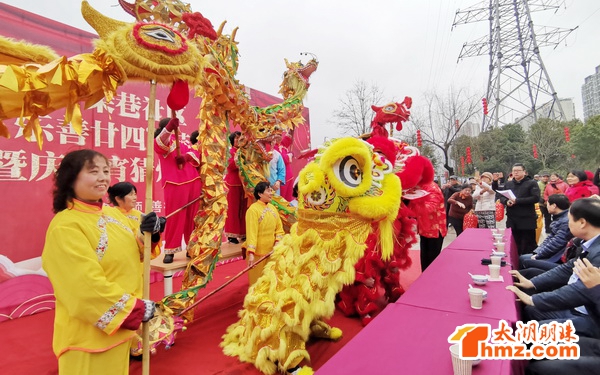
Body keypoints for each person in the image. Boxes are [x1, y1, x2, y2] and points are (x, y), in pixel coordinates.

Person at [41, 149, 162, 374]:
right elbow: (82, 286)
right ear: (70, 178)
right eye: (93, 171)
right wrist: (133, 309)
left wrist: (150, 235)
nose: (103, 177)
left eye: (106, 171)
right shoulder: (65, 226)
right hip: (87, 340)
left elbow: (137, 254)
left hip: (119, 333)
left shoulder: (114, 215)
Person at [507, 198, 600, 339]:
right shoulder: (588, 243)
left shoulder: (598, 254)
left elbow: (582, 290)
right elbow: (569, 268)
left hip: (589, 316)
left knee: (534, 330)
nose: (568, 224)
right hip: (579, 305)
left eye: (570, 220)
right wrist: (532, 283)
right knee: (532, 311)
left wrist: (534, 299)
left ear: (582, 223)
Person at [154, 117, 201, 263]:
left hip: (193, 180)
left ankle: (191, 247)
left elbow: (197, 156)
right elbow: (160, 145)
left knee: (193, 217)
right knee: (175, 217)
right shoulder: (165, 140)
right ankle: (170, 250)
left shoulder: (184, 142)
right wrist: (169, 128)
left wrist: (187, 157)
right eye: (176, 126)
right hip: (175, 183)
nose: (178, 128)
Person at [243, 181, 284, 286]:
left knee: (271, 281)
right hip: (258, 254)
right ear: (260, 194)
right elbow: (251, 233)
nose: (271, 193)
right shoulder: (253, 210)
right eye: (268, 191)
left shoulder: (273, 208)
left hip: (272, 252)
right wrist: (251, 253)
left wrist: (277, 243)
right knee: (257, 283)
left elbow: (279, 229)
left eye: (271, 190)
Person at [519, 194, 573, 271]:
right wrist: (538, 251)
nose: (546, 206)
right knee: (524, 258)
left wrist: (539, 255)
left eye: (547, 204)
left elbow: (556, 243)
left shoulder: (565, 222)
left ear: (554, 206)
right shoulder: (560, 217)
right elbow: (550, 238)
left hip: (556, 257)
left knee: (524, 259)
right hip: (553, 254)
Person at [501, 163, 540, 255]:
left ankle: (527, 263)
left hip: (526, 218)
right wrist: (506, 202)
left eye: (518, 171)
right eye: (514, 171)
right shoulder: (509, 184)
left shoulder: (531, 183)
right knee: (514, 242)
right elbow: (501, 196)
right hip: (512, 218)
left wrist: (517, 201)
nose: (516, 172)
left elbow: (535, 198)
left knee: (527, 243)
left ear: (524, 172)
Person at [224, 131, 247, 244]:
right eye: (237, 138)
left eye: (241, 138)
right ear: (232, 140)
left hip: (244, 183)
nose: (239, 140)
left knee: (244, 208)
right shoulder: (229, 151)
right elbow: (231, 165)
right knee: (232, 209)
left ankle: (243, 232)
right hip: (232, 183)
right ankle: (231, 235)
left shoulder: (245, 151)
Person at [274, 132, 295, 202]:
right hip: (281, 179)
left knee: (289, 200)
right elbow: (283, 159)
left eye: (280, 135)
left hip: (289, 177)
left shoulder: (283, 144)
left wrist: (292, 122)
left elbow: (290, 134)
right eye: (276, 135)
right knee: (282, 201)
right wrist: (290, 155)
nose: (279, 137)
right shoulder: (272, 147)